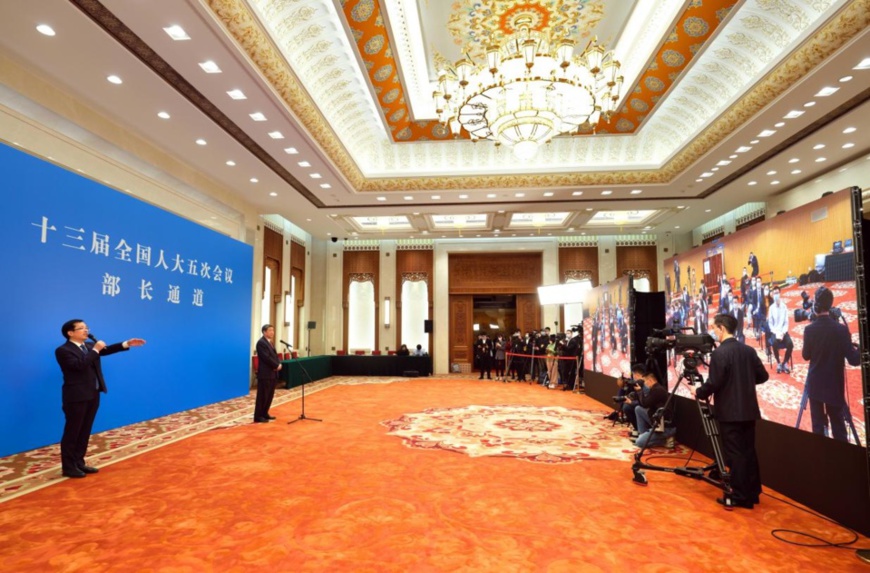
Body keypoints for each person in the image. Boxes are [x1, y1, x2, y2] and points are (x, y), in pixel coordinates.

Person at [690, 314, 769, 509]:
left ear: (722, 328)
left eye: (714, 328)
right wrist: (744, 381)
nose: (713, 332)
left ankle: (741, 496)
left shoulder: (720, 353)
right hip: (749, 411)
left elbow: (715, 382)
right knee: (748, 451)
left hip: (730, 412)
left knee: (735, 454)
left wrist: (698, 392)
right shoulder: (749, 351)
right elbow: (763, 376)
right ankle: (752, 492)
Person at [55, 319, 146, 478]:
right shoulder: (63, 350)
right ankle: (68, 467)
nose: (86, 331)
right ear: (70, 333)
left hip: (93, 393)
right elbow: (78, 366)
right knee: (73, 431)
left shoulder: (89, 347)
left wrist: (126, 343)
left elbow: (106, 350)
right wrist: (95, 350)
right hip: (76, 397)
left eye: (86, 328)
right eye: (81, 328)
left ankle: (79, 463)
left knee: (85, 430)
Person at [801, 287, 860, 442]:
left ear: (816, 306)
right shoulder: (841, 330)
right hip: (834, 387)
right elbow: (854, 360)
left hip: (815, 387)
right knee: (839, 429)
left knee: (818, 428)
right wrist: (859, 348)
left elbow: (806, 356)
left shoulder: (809, 330)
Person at [634, 367, 676, 449]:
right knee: (638, 409)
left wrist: (639, 391)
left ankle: (665, 440)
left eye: (644, 381)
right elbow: (643, 404)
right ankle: (643, 435)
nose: (644, 384)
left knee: (639, 442)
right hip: (656, 420)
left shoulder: (657, 390)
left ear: (650, 380)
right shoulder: (655, 389)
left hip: (664, 426)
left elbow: (645, 404)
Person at [254, 324, 282, 423]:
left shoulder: (270, 342)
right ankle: (258, 416)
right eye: (270, 330)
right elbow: (266, 358)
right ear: (264, 332)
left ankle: (265, 413)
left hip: (272, 374)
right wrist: (276, 365)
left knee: (269, 395)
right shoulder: (261, 343)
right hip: (265, 374)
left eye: (273, 330)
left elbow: (274, 356)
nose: (272, 332)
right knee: (263, 396)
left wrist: (279, 363)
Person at [767, 286, 793, 374]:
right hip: (775, 331)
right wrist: (776, 333)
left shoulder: (784, 307)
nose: (776, 295)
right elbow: (770, 323)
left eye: (777, 293)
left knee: (790, 344)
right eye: (774, 293)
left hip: (783, 331)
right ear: (773, 295)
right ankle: (778, 362)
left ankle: (785, 362)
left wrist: (783, 332)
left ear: (780, 293)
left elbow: (786, 322)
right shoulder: (771, 308)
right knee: (774, 343)